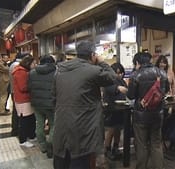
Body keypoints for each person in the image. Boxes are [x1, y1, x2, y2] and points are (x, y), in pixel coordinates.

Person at [52, 41, 116, 169]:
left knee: (62, 161)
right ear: (93, 55)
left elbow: (54, 98)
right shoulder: (92, 71)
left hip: (61, 127)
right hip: (83, 129)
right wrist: (102, 61)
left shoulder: (59, 71)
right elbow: (112, 77)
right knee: (80, 161)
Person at [127, 52, 169, 169]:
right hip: (157, 114)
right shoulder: (162, 73)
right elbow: (165, 91)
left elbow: (131, 96)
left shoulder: (135, 75)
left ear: (137, 62)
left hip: (141, 116)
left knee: (142, 145)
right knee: (156, 144)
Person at [28, 54, 56, 158]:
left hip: (37, 104)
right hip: (51, 104)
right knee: (53, 124)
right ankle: (51, 144)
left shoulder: (32, 72)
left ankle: (43, 146)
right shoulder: (56, 72)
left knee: (39, 124)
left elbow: (29, 87)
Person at [103, 62, 128, 160]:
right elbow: (109, 89)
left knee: (118, 130)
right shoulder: (108, 80)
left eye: (121, 72)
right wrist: (118, 88)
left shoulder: (123, 81)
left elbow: (126, 91)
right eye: (117, 73)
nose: (120, 75)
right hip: (111, 109)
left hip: (121, 109)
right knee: (111, 130)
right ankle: (107, 149)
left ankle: (116, 148)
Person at [12, 54, 37, 148]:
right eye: (33, 63)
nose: (35, 65)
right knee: (24, 120)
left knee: (30, 118)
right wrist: (33, 86)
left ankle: (31, 135)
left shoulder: (23, 71)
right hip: (23, 100)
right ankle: (23, 140)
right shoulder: (20, 72)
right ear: (28, 63)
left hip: (24, 99)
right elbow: (23, 87)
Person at [9, 52, 26, 136]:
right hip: (17, 92)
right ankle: (16, 130)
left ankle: (15, 129)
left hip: (14, 90)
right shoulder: (17, 66)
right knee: (17, 112)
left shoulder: (13, 64)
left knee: (16, 111)